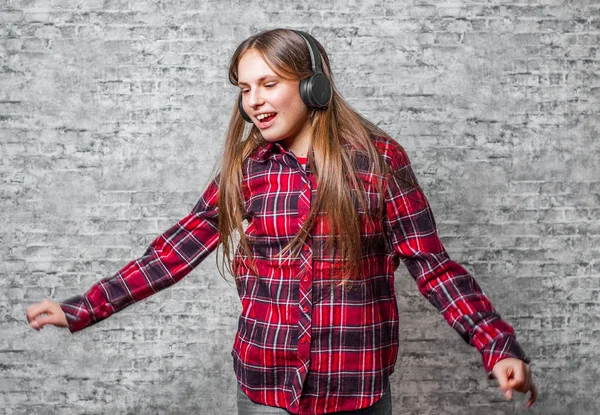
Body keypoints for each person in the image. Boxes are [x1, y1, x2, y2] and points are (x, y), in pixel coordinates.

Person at [26, 28, 537, 414]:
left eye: (269, 83)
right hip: (265, 386)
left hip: (355, 388)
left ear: (314, 86)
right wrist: (83, 307)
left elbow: (432, 265)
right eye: (245, 88)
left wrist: (495, 345)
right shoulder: (248, 169)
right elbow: (174, 250)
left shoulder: (378, 161)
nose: (254, 100)